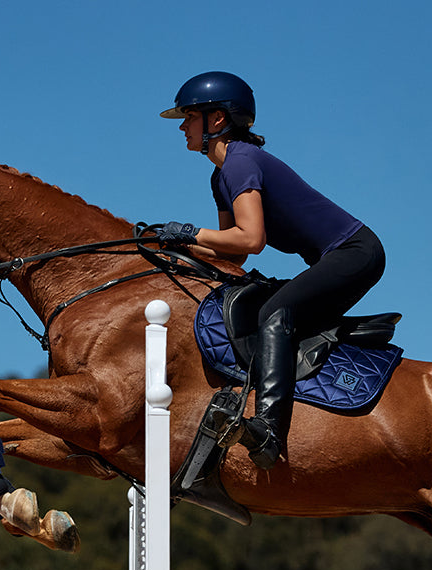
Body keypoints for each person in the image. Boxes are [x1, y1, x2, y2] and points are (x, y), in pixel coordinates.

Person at [158, 71, 386, 470]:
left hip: (355, 252)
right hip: (343, 255)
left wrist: (190, 231)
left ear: (216, 120)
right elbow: (235, 255)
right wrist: (179, 248)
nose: (181, 126)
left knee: (274, 313)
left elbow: (251, 240)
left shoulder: (240, 161)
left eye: (188, 116)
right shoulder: (221, 175)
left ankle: (268, 427)